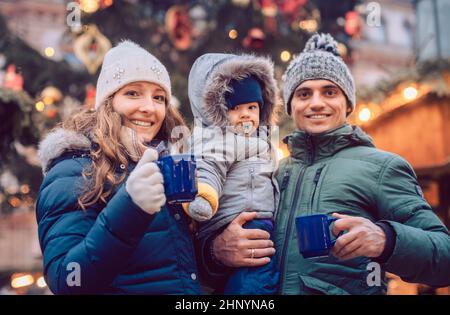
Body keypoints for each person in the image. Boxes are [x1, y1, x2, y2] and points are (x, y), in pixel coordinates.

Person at [208, 33, 450, 294]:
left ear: (347, 104)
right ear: (290, 106)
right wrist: (215, 252)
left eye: (329, 92)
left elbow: (444, 257)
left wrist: (386, 239)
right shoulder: (270, 172)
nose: (316, 103)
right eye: (303, 93)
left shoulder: (382, 168)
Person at [36, 40, 201, 294]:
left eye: (159, 97)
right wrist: (131, 207)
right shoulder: (73, 170)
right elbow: (67, 280)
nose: (149, 107)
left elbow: (176, 266)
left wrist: (216, 248)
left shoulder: (169, 163)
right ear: (108, 102)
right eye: (133, 93)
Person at [186, 53, 280, 294]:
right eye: (235, 108)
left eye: (252, 107)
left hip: (257, 221)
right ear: (217, 111)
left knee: (246, 279)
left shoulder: (262, 142)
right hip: (241, 222)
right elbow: (209, 167)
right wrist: (204, 194)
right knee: (255, 281)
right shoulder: (221, 139)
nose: (246, 114)